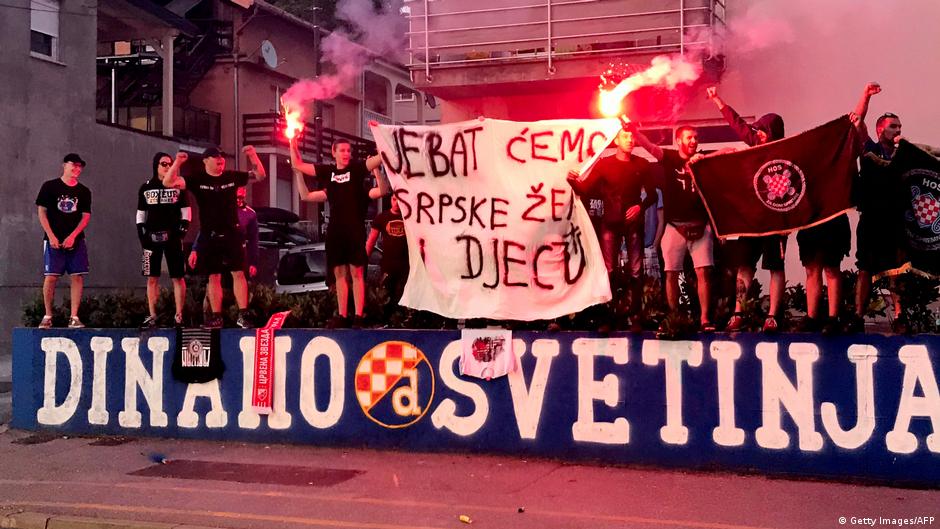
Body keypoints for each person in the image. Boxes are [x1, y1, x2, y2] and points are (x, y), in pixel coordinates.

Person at [706, 86, 787, 333]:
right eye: (758, 130)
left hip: (775, 221)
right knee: (744, 265)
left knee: (776, 266)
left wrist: (789, 224)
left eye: (764, 131)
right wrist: (718, 99)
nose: (759, 134)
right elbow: (738, 124)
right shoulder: (753, 145)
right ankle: (738, 312)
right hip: (750, 220)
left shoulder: (786, 151)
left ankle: (773, 315)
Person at [290, 136, 390, 328]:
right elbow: (299, 167)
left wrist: (382, 140)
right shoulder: (328, 173)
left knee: (357, 272)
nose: (345, 154)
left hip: (355, 230)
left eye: (348, 151)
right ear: (333, 152)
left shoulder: (357, 169)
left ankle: (359, 316)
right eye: (341, 150)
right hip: (336, 231)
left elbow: (380, 161)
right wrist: (293, 143)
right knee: (339, 274)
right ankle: (342, 315)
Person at [164, 146, 266, 328]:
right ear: (205, 161)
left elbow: (260, 176)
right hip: (209, 235)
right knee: (214, 276)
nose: (220, 160)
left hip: (232, 233)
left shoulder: (231, 176)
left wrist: (253, 155)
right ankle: (216, 316)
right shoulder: (197, 179)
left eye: (221, 157)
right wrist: (178, 162)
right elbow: (168, 182)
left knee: (238, 273)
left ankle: (243, 314)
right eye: (215, 157)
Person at [568, 128, 657, 331]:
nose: (630, 139)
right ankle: (607, 318)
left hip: (633, 223)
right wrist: (572, 179)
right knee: (609, 270)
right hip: (610, 223)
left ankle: (635, 317)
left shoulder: (642, 164)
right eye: (626, 136)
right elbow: (585, 189)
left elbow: (652, 195)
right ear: (616, 139)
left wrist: (640, 206)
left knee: (636, 271)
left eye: (632, 136)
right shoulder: (605, 164)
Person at [633, 125, 716, 332]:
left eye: (696, 137)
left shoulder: (703, 158)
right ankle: (674, 316)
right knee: (670, 272)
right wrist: (634, 132)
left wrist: (705, 158)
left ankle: (705, 318)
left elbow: (727, 153)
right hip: (674, 226)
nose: (693, 141)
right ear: (679, 140)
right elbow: (650, 147)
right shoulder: (669, 157)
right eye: (689, 137)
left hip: (700, 226)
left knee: (703, 273)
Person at [36, 153, 92, 329]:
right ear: (64, 166)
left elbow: (85, 216)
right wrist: (51, 235)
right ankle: (47, 315)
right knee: (51, 276)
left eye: (79, 166)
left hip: (75, 241)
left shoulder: (84, 191)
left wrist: (73, 236)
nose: (76, 169)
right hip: (53, 240)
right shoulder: (50, 187)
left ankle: (74, 316)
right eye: (73, 165)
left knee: (77, 276)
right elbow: (41, 212)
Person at [137, 152, 191, 328]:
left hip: (173, 237)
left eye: (170, 164)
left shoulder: (178, 186)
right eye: (164, 164)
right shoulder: (145, 187)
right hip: (151, 238)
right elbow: (140, 213)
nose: (168, 167)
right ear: (156, 166)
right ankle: (153, 315)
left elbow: (186, 210)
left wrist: (182, 230)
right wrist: (142, 235)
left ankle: (179, 315)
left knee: (178, 276)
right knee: (151, 277)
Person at [191, 185, 259, 317]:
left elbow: (253, 240)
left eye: (242, 197)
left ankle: (241, 315)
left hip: (237, 253)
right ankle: (211, 316)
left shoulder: (250, 214)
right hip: (217, 251)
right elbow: (204, 230)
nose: (239, 200)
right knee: (213, 281)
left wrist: (253, 262)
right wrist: (195, 249)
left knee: (241, 283)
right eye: (236, 197)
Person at [366, 193, 410, 320]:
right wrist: (363, 259)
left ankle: (403, 320)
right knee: (386, 294)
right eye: (394, 199)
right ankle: (386, 321)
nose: (396, 203)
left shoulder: (409, 218)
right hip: (388, 265)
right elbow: (371, 240)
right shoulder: (382, 218)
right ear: (390, 200)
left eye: (400, 200)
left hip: (405, 265)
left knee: (403, 295)